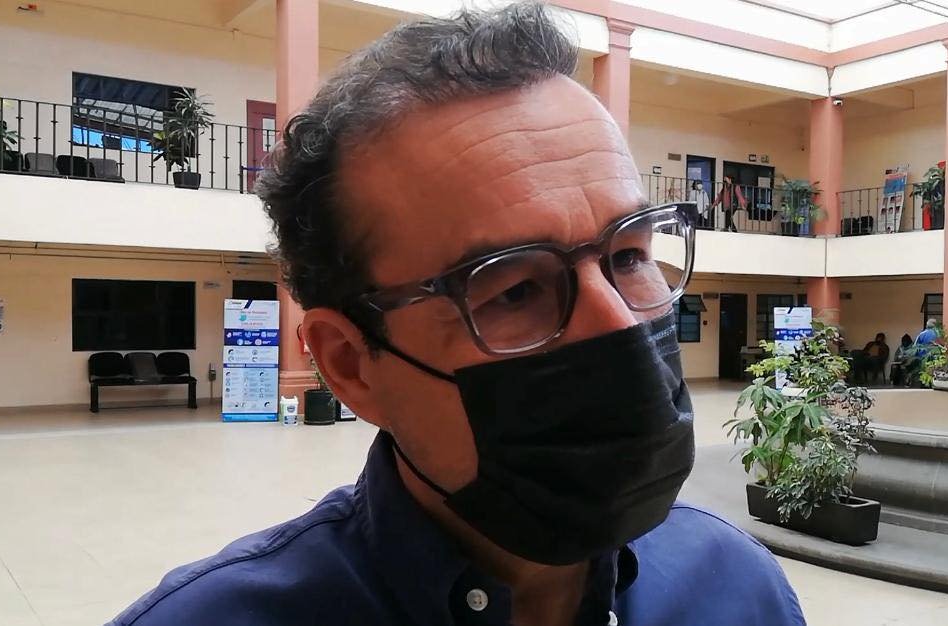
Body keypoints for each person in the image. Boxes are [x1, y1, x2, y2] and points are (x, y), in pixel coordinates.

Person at [112, 5, 803, 626]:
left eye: (628, 255)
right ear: (350, 366)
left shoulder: (736, 589)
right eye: (514, 291)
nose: (622, 325)